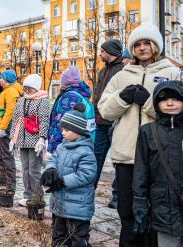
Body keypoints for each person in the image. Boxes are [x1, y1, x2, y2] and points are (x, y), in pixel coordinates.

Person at [98, 24, 180, 247]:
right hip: (127, 155)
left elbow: (176, 111)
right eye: (137, 45)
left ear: (156, 46)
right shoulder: (121, 75)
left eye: (147, 43)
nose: (142, 48)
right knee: (127, 210)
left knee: (157, 210)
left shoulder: (171, 73)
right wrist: (123, 98)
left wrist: (148, 103)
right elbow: (104, 110)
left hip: (159, 155)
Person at [132, 80, 183, 247]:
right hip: (162, 205)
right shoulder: (147, 131)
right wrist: (139, 200)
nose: (170, 103)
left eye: (176, 98)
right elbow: (141, 169)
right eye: (163, 99)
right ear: (156, 102)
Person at [41, 103, 97, 247]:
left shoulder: (86, 151)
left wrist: (63, 181)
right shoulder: (62, 146)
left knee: (77, 239)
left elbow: (87, 174)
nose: (63, 132)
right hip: (60, 204)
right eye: (62, 129)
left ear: (77, 130)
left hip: (78, 207)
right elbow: (53, 158)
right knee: (58, 236)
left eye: (66, 129)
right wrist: (51, 170)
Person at [10, 74, 50, 206]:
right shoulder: (22, 100)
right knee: (25, 169)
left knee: (34, 170)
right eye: (25, 87)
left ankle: (37, 197)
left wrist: (42, 139)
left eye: (30, 88)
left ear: (36, 88)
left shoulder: (42, 100)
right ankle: (27, 195)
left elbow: (44, 120)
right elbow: (16, 118)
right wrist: (13, 139)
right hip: (22, 139)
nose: (27, 90)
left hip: (35, 140)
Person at [93, 39, 124, 209]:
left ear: (111, 51)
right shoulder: (102, 70)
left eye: (103, 51)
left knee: (118, 160)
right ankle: (90, 190)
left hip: (116, 123)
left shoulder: (123, 69)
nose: (100, 54)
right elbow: (98, 93)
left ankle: (117, 196)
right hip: (100, 122)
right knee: (96, 158)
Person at [47, 66, 93, 154]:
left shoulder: (69, 98)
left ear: (66, 82)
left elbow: (64, 124)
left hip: (62, 144)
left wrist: (54, 146)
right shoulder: (81, 94)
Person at [0, 69, 23, 192]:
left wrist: (3, 128)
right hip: (0, 127)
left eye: (2, 78)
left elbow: (10, 111)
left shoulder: (11, 91)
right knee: (1, 153)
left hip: (4, 129)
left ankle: (11, 183)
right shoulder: (7, 90)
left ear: (7, 80)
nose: (0, 79)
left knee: (6, 155)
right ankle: (3, 178)